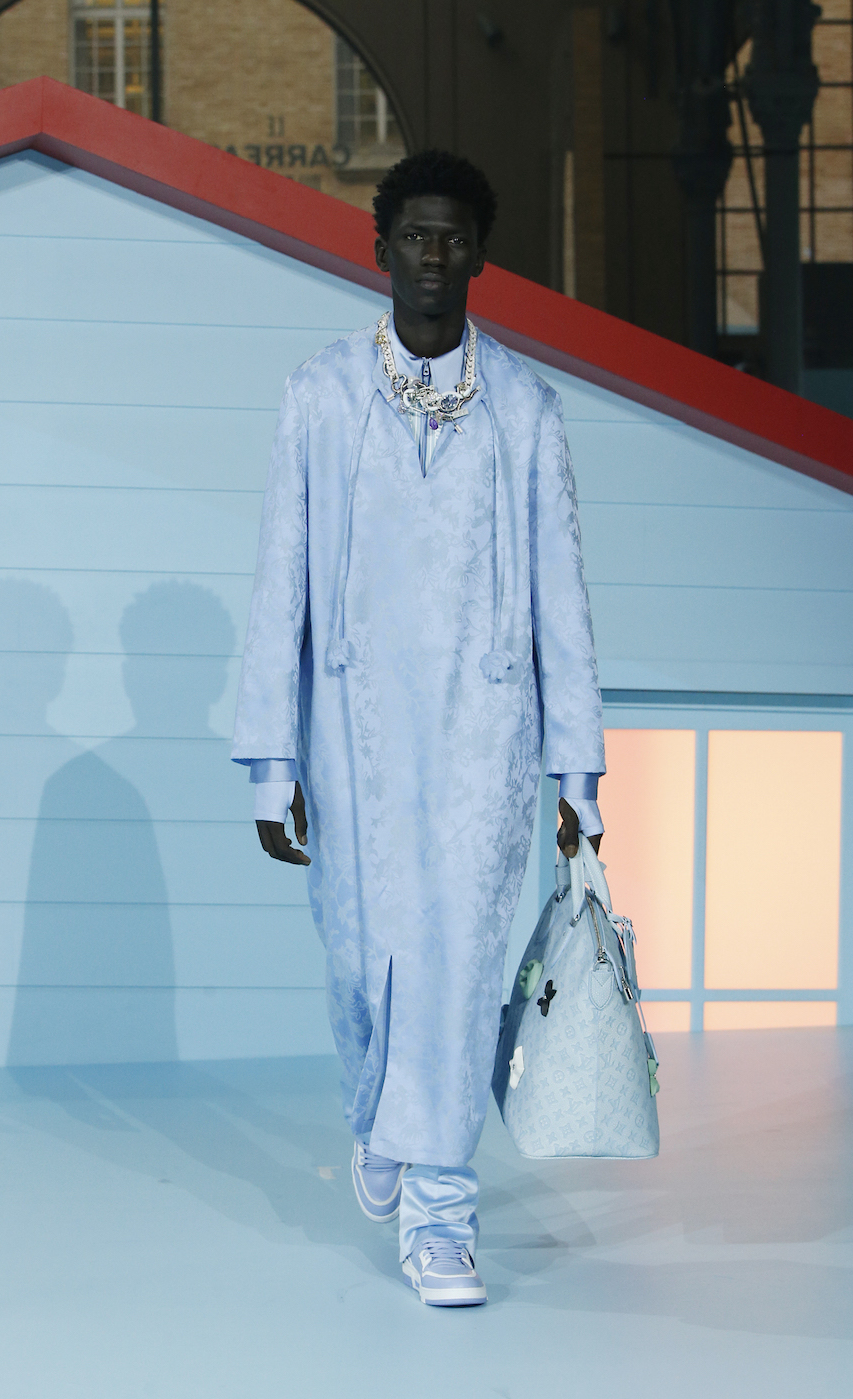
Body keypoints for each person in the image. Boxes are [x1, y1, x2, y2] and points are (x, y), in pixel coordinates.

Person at [232, 150, 605, 1307]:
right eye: (414, 236)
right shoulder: (321, 393)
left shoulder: (526, 408)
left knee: (451, 971)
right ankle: (379, 1121)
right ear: (381, 247)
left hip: (486, 735)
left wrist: (575, 771)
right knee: (359, 961)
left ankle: (441, 1213)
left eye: (453, 238)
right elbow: (281, 577)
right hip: (352, 730)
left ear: (479, 254)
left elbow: (562, 594)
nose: (434, 256)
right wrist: (271, 762)